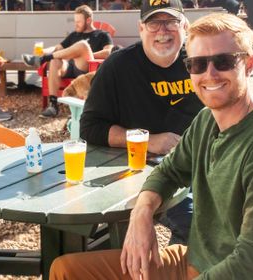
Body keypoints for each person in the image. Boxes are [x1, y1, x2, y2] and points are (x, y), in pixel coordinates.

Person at [50, 12, 253, 280]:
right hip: (194, 261)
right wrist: (142, 212)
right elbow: (169, 172)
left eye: (224, 61)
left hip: (230, 272)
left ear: (249, 64)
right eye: (198, 64)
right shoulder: (207, 120)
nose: (210, 73)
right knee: (65, 270)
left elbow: (252, 264)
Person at [81, 0, 203, 244]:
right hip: (142, 172)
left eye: (170, 22)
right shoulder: (118, 67)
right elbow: (90, 127)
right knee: (195, 226)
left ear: (185, 26)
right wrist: (149, 141)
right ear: (141, 28)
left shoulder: (203, 62)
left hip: (200, 166)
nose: (162, 31)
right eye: (154, 23)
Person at [22, 5, 113, 118]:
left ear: (89, 20)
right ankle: (53, 105)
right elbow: (57, 48)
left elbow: (108, 52)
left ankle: (43, 60)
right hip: (70, 66)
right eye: (75, 21)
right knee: (55, 62)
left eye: (79, 22)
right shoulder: (74, 35)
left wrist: (82, 54)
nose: (76, 24)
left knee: (83, 45)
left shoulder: (102, 35)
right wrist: (43, 51)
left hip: (87, 68)